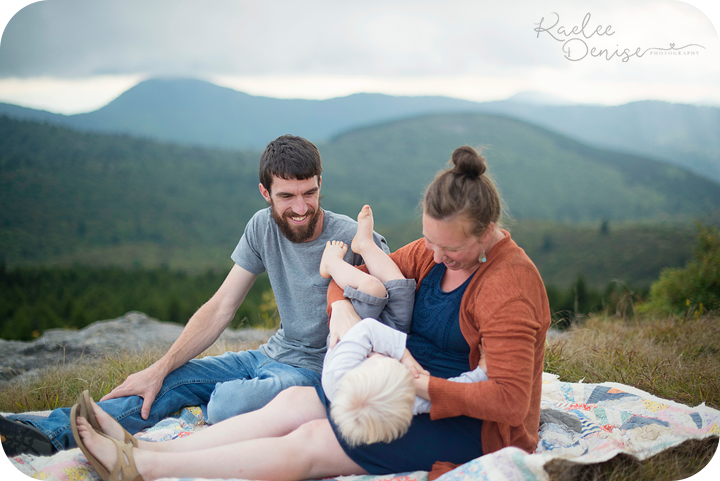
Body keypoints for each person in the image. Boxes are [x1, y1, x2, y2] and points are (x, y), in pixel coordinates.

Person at [67, 144, 550, 481]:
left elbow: (509, 401)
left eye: (451, 249)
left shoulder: (508, 285)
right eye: (429, 241)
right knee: (293, 405)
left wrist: (416, 385)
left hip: (466, 422)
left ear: (487, 231)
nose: (436, 256)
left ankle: (142, 469)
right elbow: (351, 274)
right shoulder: (432, 251)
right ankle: (147, 447)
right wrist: (339, 310)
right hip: (393, 388)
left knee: (313, 440)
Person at [0, 134, 389, 457]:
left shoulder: (354, 238)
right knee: (166, 382)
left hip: (313, 372)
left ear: (320, 184)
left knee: (225, 404)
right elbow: (221, 307)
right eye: (287, 196)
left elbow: (394, 301)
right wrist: (159, 368)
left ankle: (212, 410)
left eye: (309, 192)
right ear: (265, 193)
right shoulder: (261, 227)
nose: (301, 207)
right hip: (267, 355)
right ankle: (45, 433)